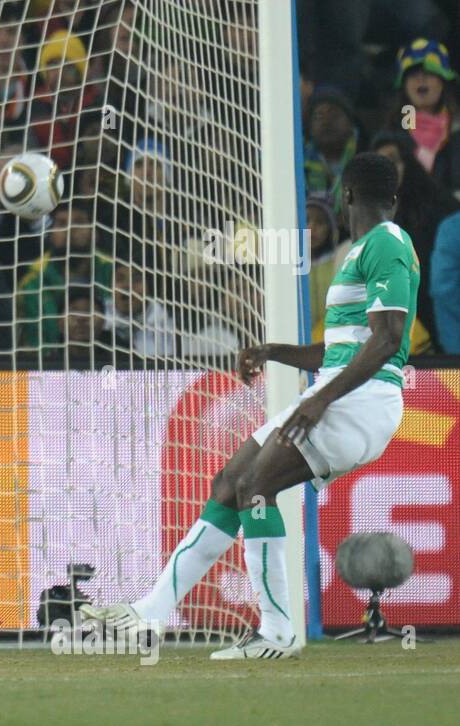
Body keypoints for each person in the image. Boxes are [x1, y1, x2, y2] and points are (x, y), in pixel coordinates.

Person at [82, 154, 417, 660]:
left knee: (256, 487)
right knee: (230, 483)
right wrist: (274, 352)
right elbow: (346, 348)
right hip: (341, 393)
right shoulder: (365, 250)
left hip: (359, 402)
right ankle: (151, 612)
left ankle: (278, 633)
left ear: (345, 195)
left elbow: (389, 339)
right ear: (390, 197)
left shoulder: (387, 243)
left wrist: (322, 397)